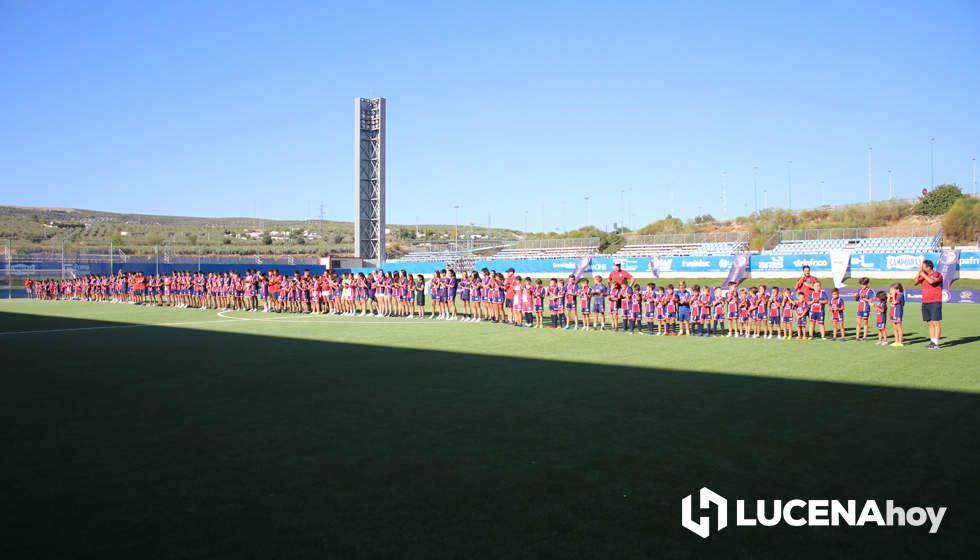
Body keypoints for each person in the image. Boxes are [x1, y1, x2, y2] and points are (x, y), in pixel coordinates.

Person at [914, 259, 944, 350]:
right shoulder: (923, 275)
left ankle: (936, 343)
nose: (921, 268)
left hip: (935, 301)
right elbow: (915, 282)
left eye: (923, 267)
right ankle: (932, 341)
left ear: (929, 267)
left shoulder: (937, 274)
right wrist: (918, 273)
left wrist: (923, 274)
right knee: (929, 323)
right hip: (925, 302)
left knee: (935, 322)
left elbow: (932, 282)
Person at [889, 283, 905, 347]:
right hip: (893, 312)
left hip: (898, 312)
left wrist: (893, 295)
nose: (891, 290)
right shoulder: (895, 295)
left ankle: (900, 341)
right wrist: (890, 296)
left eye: (892, 289)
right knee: (895, 328)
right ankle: (896, 341)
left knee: (899, 327)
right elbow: (890, 301)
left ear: (897, 289)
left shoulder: (900, 295)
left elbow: (895, 301)